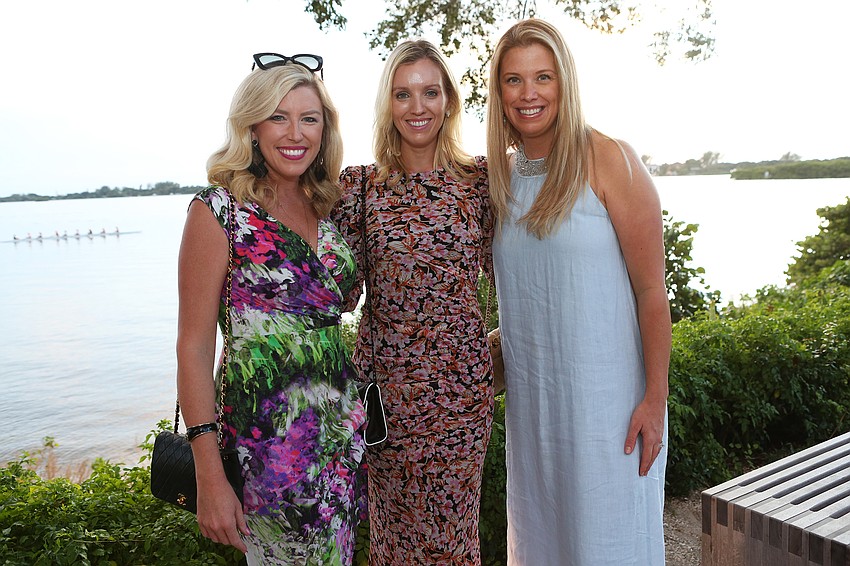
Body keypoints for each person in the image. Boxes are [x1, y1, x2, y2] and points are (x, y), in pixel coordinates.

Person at [486, 19, 672, 565]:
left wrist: (654, 403)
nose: (529, 94)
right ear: (498, 92)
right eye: (514, 80)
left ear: (565, 83)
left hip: (610, 414)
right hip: (537, 415)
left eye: (543, 77)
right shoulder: (501, 177)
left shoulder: (610, 158)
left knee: (607, 547)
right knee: (545, 546)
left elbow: (651, 294)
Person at [176, 54, 366, 565]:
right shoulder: (218, 211)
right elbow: (194, 347)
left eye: (310, 118)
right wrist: (209, 474)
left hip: (341, 443)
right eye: (278, 116)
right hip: (266, 456)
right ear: (252, 127)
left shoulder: (327, 204)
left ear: (325, 130)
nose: (295, 133)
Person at [331, 39, 494, 564]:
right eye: (403, 94)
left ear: (448, 99)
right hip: (388, 406)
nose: (417, 107)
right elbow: (335, 294)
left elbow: (524, 272)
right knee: (394, 542)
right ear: (388, 103)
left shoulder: (481, 182)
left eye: (429, 92)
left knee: (455, 541)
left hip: (462, 401)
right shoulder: (360, 188)